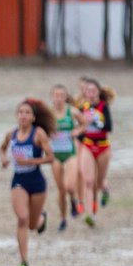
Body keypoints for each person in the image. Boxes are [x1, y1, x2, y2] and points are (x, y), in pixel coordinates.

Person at [0, 99, 55, 266]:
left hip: (37, 180)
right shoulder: (11, 134)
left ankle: (41, 219)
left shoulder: (38, 134)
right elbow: (2, 148)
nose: (23, 115)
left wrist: (30, 161)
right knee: (22, 218)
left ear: (33, 117)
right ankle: (24, 261)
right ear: (17, 116)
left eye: (27, 113)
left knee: (31, 225)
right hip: (19, 181)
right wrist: (3, 159)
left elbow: (50, 157)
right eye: (20, 112)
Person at [75, 78, 113, 225]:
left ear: (98, 92)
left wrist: (95, 122)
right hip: (88, 145)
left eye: (93, 91)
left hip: (103, 146)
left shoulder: (103, 106)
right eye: (88, 91)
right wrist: (76, 131)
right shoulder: (81, 108)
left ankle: (105, 189)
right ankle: (90, 214)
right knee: (89, 182)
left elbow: (109, 127)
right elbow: (78, 128)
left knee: (99, 182)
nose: (90, 94)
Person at [49, 85, 83, 227]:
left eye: (61, 95)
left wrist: (77, 131)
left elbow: (84, 123)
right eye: (56, 95)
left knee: (69, 186)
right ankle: (63, 219)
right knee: (61, 190)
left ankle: (74, 200)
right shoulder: (48, 113)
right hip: (55, 155)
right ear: (52, 97)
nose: (58, 98)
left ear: (65, 97)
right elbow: (39, 128)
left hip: (70, 153)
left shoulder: (72, 111)